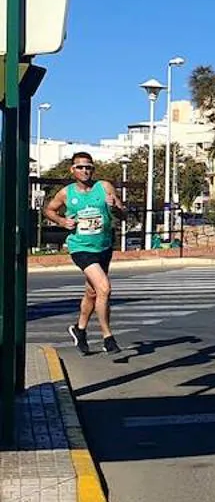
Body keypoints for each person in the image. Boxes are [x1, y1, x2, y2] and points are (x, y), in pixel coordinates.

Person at [43, 151, 128, 356]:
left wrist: (114, 207)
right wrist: (63, 221)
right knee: (104, 288)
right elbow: (49, 210)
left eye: (89, 167)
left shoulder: (104, 187)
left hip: (103, 246)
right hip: (80, 247)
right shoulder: (66, 193)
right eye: (80, 167)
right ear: (72, 170)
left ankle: (79, 330)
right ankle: (108, 337)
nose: (85, 171)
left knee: (92, 292)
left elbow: (122, 212)